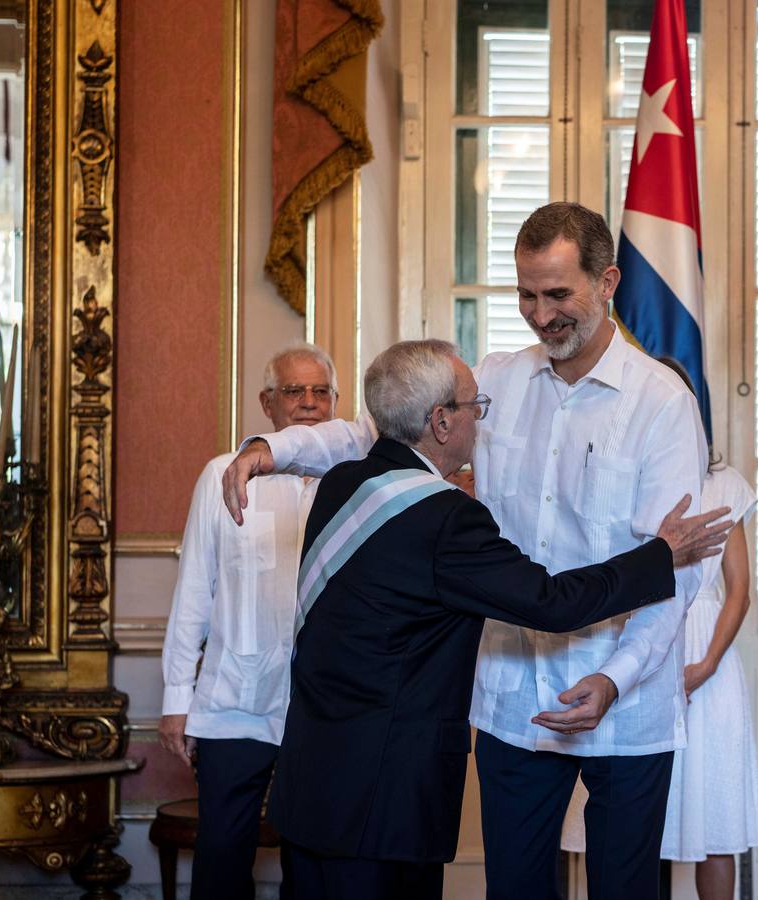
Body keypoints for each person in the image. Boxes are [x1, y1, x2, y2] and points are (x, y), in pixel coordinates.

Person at [222, 202, 710, 900]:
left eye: (558, 295)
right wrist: (275, 449)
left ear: (608, 283)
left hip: (626, 704)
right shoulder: (496, 382)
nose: (541, 317)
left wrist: (618, 678)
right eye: (527, 296)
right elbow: (372, 432)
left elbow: (676, 566)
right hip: (513, 697)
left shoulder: (664, 404)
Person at [561, 357, 758, 898]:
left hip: (706, 656)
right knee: (638, 817)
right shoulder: (621, 472)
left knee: (713, 815)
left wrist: (705, 665)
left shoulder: (725, 484)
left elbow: (739, 591)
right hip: (635, 648)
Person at [159, 343, 339, 900]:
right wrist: (175, 700)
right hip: (234, 701)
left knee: (315, 860)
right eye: (294, 391)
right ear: (267, 403)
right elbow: (194, 590)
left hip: (325, 710)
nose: (308, 404)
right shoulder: (223, 474)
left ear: (335, 402)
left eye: (320, 392)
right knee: (221, 857)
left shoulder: (353, 480)